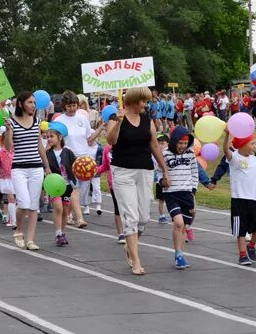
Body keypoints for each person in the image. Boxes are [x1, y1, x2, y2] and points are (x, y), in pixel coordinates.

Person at [105, 87, 171, 275]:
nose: (146, 104)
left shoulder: (147, 120)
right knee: (131, 218)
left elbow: (154, 145)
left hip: (144, 171)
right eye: (143, 101)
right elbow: (111, 141)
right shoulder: (116, 118)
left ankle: (130, 245)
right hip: (123, 171)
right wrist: (118, 122)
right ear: (133, 101)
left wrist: (164, 169)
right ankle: (136, 260)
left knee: (143, 218)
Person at [220, 126, 256, 266]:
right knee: (241, 230)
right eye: (252, 143)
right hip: (239, 200)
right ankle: (242, 255)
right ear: (242, 145)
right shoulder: (234, 158)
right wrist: (227, 135)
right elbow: (225, 150)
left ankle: (251, 246)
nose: (254, 146)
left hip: (254, 200)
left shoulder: (255, 160)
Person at [4, 91, 50, 251]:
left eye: (34, 102)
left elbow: (39, 146)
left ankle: (30, 240)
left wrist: (46, 166)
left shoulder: (37, 121)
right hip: (19, 168)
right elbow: (9, 147)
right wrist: (9, 130)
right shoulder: (11, 122)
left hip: (36, 167)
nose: (33, 105)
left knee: (33, 206)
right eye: (30, 102)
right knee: (23, 202)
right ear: (21, 104)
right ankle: (18, 230)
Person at [59, 90, 105, 222]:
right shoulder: (60, 120)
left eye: (74, 105)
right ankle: (76, 217)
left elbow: (89, 139)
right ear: (64, 106)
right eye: (69, 106)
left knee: (81, 189)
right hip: (67, 157)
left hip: (83, 158)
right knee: (74, 188)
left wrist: (101, 128)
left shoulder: (82, 119)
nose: (72, 108)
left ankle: (70, 214)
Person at [161, 126, 199, 269]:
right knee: (178, 223)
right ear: (174, 141)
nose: (183, 146)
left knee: (184, 227)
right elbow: (158, 172)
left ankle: (180, 254)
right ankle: (178, 253)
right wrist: (162, 181)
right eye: (180, 143)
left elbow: (194, 172)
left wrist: (193, 191)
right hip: (171, 193)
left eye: (185, 143)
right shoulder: (164, 154)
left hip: (187, 193)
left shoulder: (190, 153)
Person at [45, 121, 76, 246]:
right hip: (54, 185)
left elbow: (75, 166)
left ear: (60, 137)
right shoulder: (47, 154)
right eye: (47, 136)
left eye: (51, 136)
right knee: (58, 207)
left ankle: (62, 233)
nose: (49, 139)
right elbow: (43, 166)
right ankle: (58, 233)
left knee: (65, 210)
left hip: (67, 185)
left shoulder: (68, 152)